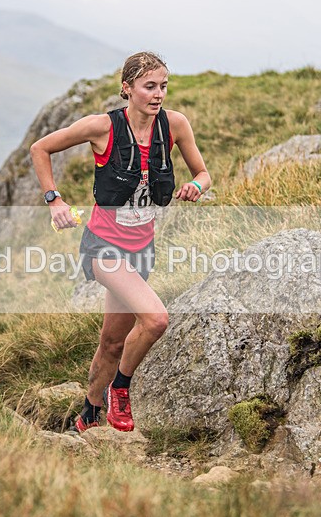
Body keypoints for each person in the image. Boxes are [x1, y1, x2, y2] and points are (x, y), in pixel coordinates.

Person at [30, 51, 211, 433]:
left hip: (141, 250)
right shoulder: (102, 127)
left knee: (113, 342)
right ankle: (120, 389)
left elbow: (203, 173)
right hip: (103, 246)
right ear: (127, 88)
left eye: (163, 86)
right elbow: (40, 149)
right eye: (149, 86)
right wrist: (54, 200)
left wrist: (196, 186)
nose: (158, 94)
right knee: (156, 320)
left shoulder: (175, 125)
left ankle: (88, 415)